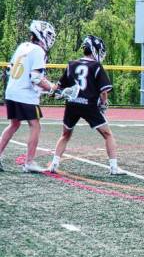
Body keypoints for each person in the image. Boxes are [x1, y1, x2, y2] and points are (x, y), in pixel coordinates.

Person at [47, 35, 125, 175]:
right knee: (108, 134)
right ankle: (114, 167)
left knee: (65, 135)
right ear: (95, 50)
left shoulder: (71, 64)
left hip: (72, 104)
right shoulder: (96, 66)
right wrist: (103, 103)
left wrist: (53, 92)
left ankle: (54, 164)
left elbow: (58, 87)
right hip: (89, 105)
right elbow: (104, 91)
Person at [0, 20, 57, 172]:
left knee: (14, 124)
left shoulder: (22, 47)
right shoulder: (39, 51)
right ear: (41, 35)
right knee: (35, 125)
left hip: (11, 91)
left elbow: (10, 70)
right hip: (24, 95)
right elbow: (36, 78)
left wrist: (46, 88)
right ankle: (29, 162)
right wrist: (52, 88)